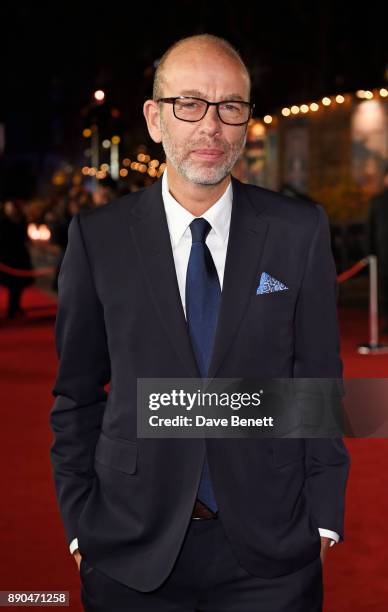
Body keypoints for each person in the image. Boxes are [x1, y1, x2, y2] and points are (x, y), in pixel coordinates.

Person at [50, 34, 350, 611]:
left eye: (230, 106)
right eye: (189, 103)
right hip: (130, 546)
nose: (211, 126)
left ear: (245, 122)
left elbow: (317, 381)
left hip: (271, 551)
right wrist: (81, 525)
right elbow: (76, 395)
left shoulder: (298, 230)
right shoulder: (98, 239)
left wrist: (323, 521)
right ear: (155, 118)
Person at [0, 200, 33, 319]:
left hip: (20, 255)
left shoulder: (22, 220)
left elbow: (25, 237)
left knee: (19, 284)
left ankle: (17, 306)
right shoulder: (3, 222)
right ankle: (11, 308)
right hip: (8, 256)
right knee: (11, 284)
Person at [367, 166, 388, 333]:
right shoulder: (377, 200)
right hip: (383, 252)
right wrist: (370, 252)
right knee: (385, 289)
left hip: (382, 251)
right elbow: (370, 228)